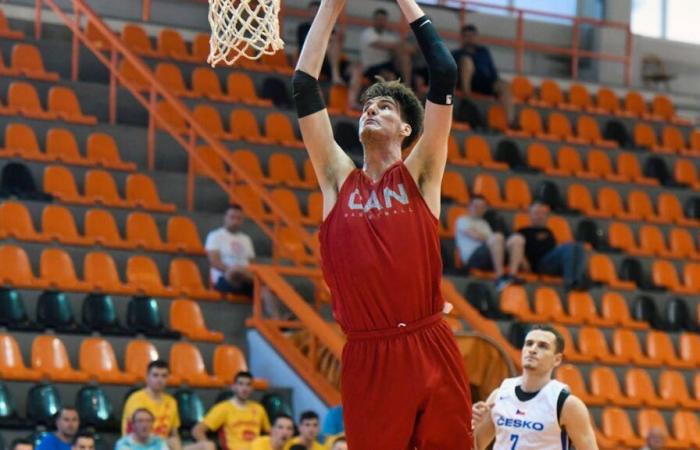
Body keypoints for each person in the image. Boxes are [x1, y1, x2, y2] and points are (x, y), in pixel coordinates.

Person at [293, 0, 472, 447]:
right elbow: (303, 84)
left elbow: (444, 72)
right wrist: (331, 9)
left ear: (406, 130)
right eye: (366, 108)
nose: (370, 111)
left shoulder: (421, 173)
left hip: (429, 343)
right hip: (367, 354)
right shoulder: (337, 179)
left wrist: (404, 2)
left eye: (385, 107)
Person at [471, 325, 598, 450]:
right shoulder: (499, 395)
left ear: (557, 359)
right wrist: (474, 425)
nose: (532, 349)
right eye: (529, 343)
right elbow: (475, 446)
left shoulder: (567, 404)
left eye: (543, 346)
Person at [206, 204, 282, 318]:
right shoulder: (215, 236)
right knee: (236, 270)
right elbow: (214, 262)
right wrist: (235, 269)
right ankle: (257, 280)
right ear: (225, 217)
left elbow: (251, 263)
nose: (235, 221)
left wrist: (244, 272)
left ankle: (278, 321)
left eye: (238, 218)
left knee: (267, 290)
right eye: (232, 217)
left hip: (245, 279)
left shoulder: (246, 239)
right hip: (225, 278)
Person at [347, 8, 414, 109]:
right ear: (374, 20)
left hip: (386, 64)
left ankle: (408, 86)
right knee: (389, 76)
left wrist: (401, 48)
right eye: (379, 20)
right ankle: (384, 105)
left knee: (404, 58)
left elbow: (409, 49)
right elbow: (379, 44)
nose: (381, 22)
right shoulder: (368, 33)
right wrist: (399, 46)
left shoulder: (389, 36)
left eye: (383, 20)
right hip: (371, 66)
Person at [455, 195, 525, 290]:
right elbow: (476, 236)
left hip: (490, 256)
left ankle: (512, 275)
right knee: (497, 237)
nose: (479, 209)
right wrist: (496, 240)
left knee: (517, 239)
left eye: (482, 207)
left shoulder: (485, 223)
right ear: (469, 206)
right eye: (476, 206)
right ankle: (500, 277)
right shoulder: (462, 220)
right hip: (473, 258)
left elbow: (493, 241)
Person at [514, 201, 588, 291]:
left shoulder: (548, 231)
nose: (540, 216)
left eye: (542, 214)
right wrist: (523, 260)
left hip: (552, 262)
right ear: (530, 215)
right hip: (539, 265)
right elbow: (515, 247)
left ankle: (578, 280)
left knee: (578, 246)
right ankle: (570, 282)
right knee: (570, 247)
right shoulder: (523, 231)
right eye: (537, 213)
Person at [190, 371, 271, 450]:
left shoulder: (259, 409)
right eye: (240, 384)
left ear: (252, 388)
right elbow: (197, 430)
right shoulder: (223, 408)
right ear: (234, 387)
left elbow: (271, 433)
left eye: (248, 385)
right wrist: (207, 445)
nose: (244, 388)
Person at [452, 24, 514, 123]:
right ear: (462, 38)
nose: (469, 39)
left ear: (476, 37)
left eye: (472, 36)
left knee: (505, 85)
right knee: (466, 61)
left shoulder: (484, 52)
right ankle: (467, 100)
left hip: (485, 83)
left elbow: (492, 70)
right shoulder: (456, 54)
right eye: (466, 36)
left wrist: (496, 83)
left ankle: (510, 121)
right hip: (467, 83)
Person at [122, 360, 181, 450]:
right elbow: (135, 433)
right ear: (147, 377)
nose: (159, 379)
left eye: (164, 376)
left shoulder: (172, 402)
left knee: (206, 446)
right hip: (139, 445)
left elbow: (174, 433)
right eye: (155, 375)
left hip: (163, 445)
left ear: (168, 378)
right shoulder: (136, 399)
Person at [296, 1, 348, 85]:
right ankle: (335, 74)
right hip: (309, 57)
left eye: (317, 11)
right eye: (312, 11)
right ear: (309, 12)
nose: (314, 13)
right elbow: (302, 46)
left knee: (355, 67)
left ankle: (336, 74)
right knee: (331, 42)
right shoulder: (303, 27)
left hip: (326, 59)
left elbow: (337, 47)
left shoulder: (330, 28)